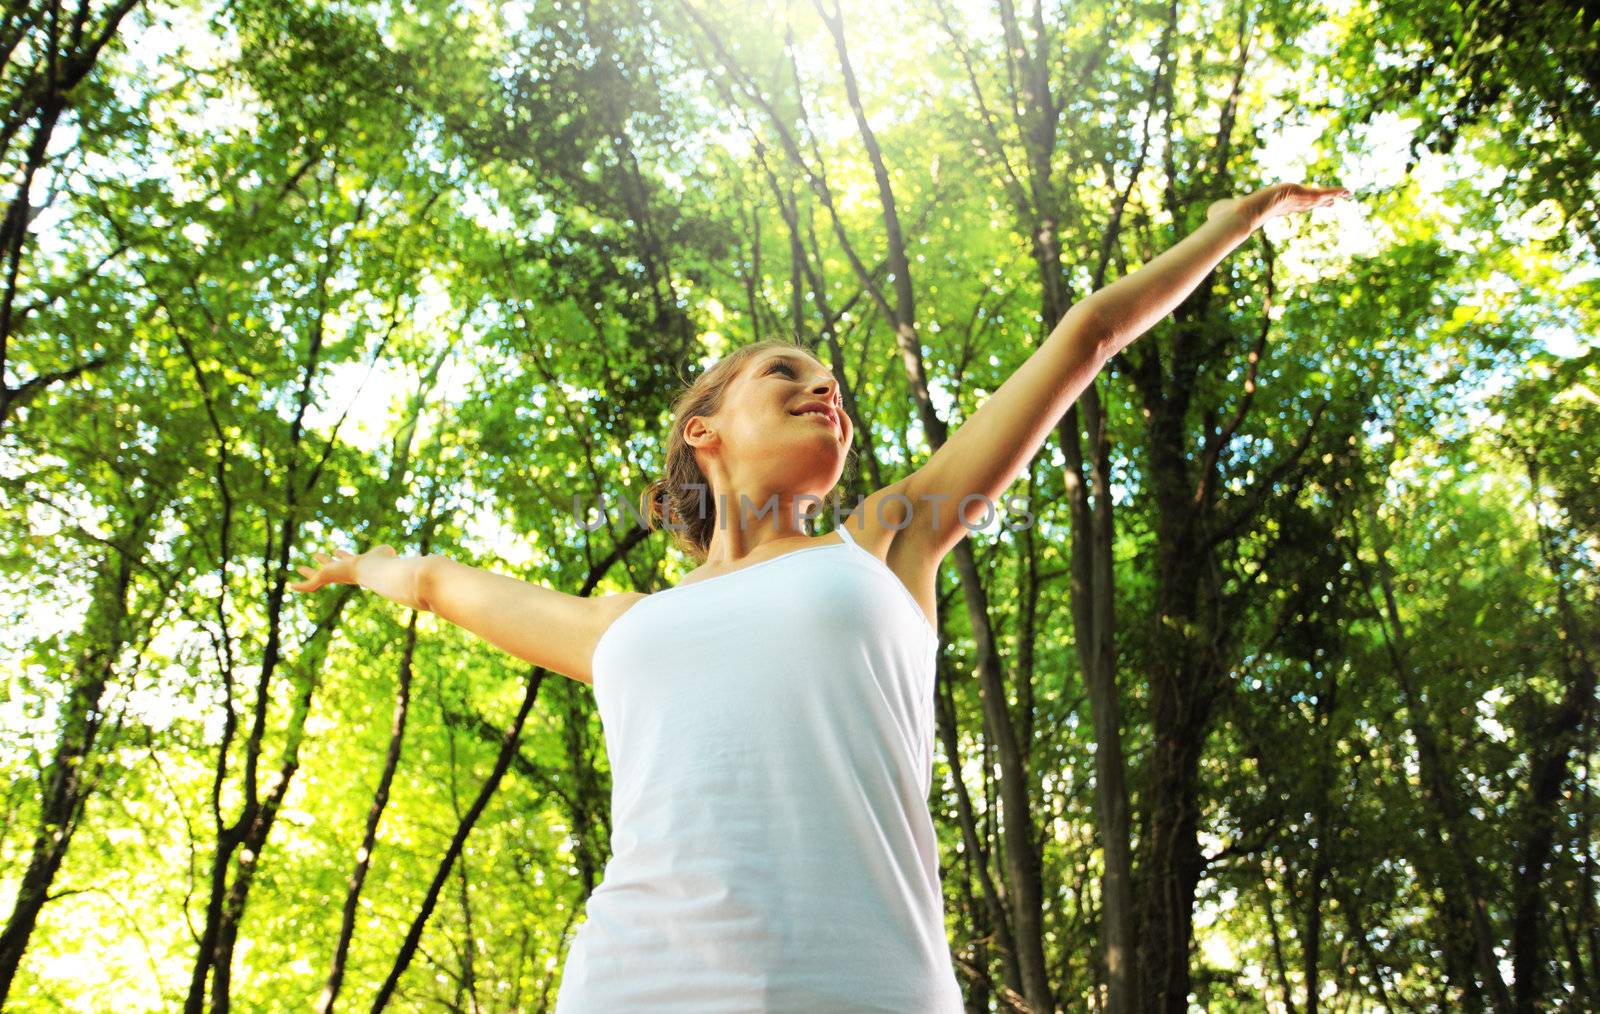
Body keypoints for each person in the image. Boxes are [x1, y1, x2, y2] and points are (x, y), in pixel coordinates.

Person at [291, 181, 1353, 1011]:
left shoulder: (890, 539)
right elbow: (434, 581)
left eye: (832, 385)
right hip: (636, 989)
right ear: (701, 432)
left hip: (868, 992)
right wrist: (358, 566)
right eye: (784, 375)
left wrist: (1235, 222)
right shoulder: (623, 625)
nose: (824, 389)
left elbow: (1086, 338)